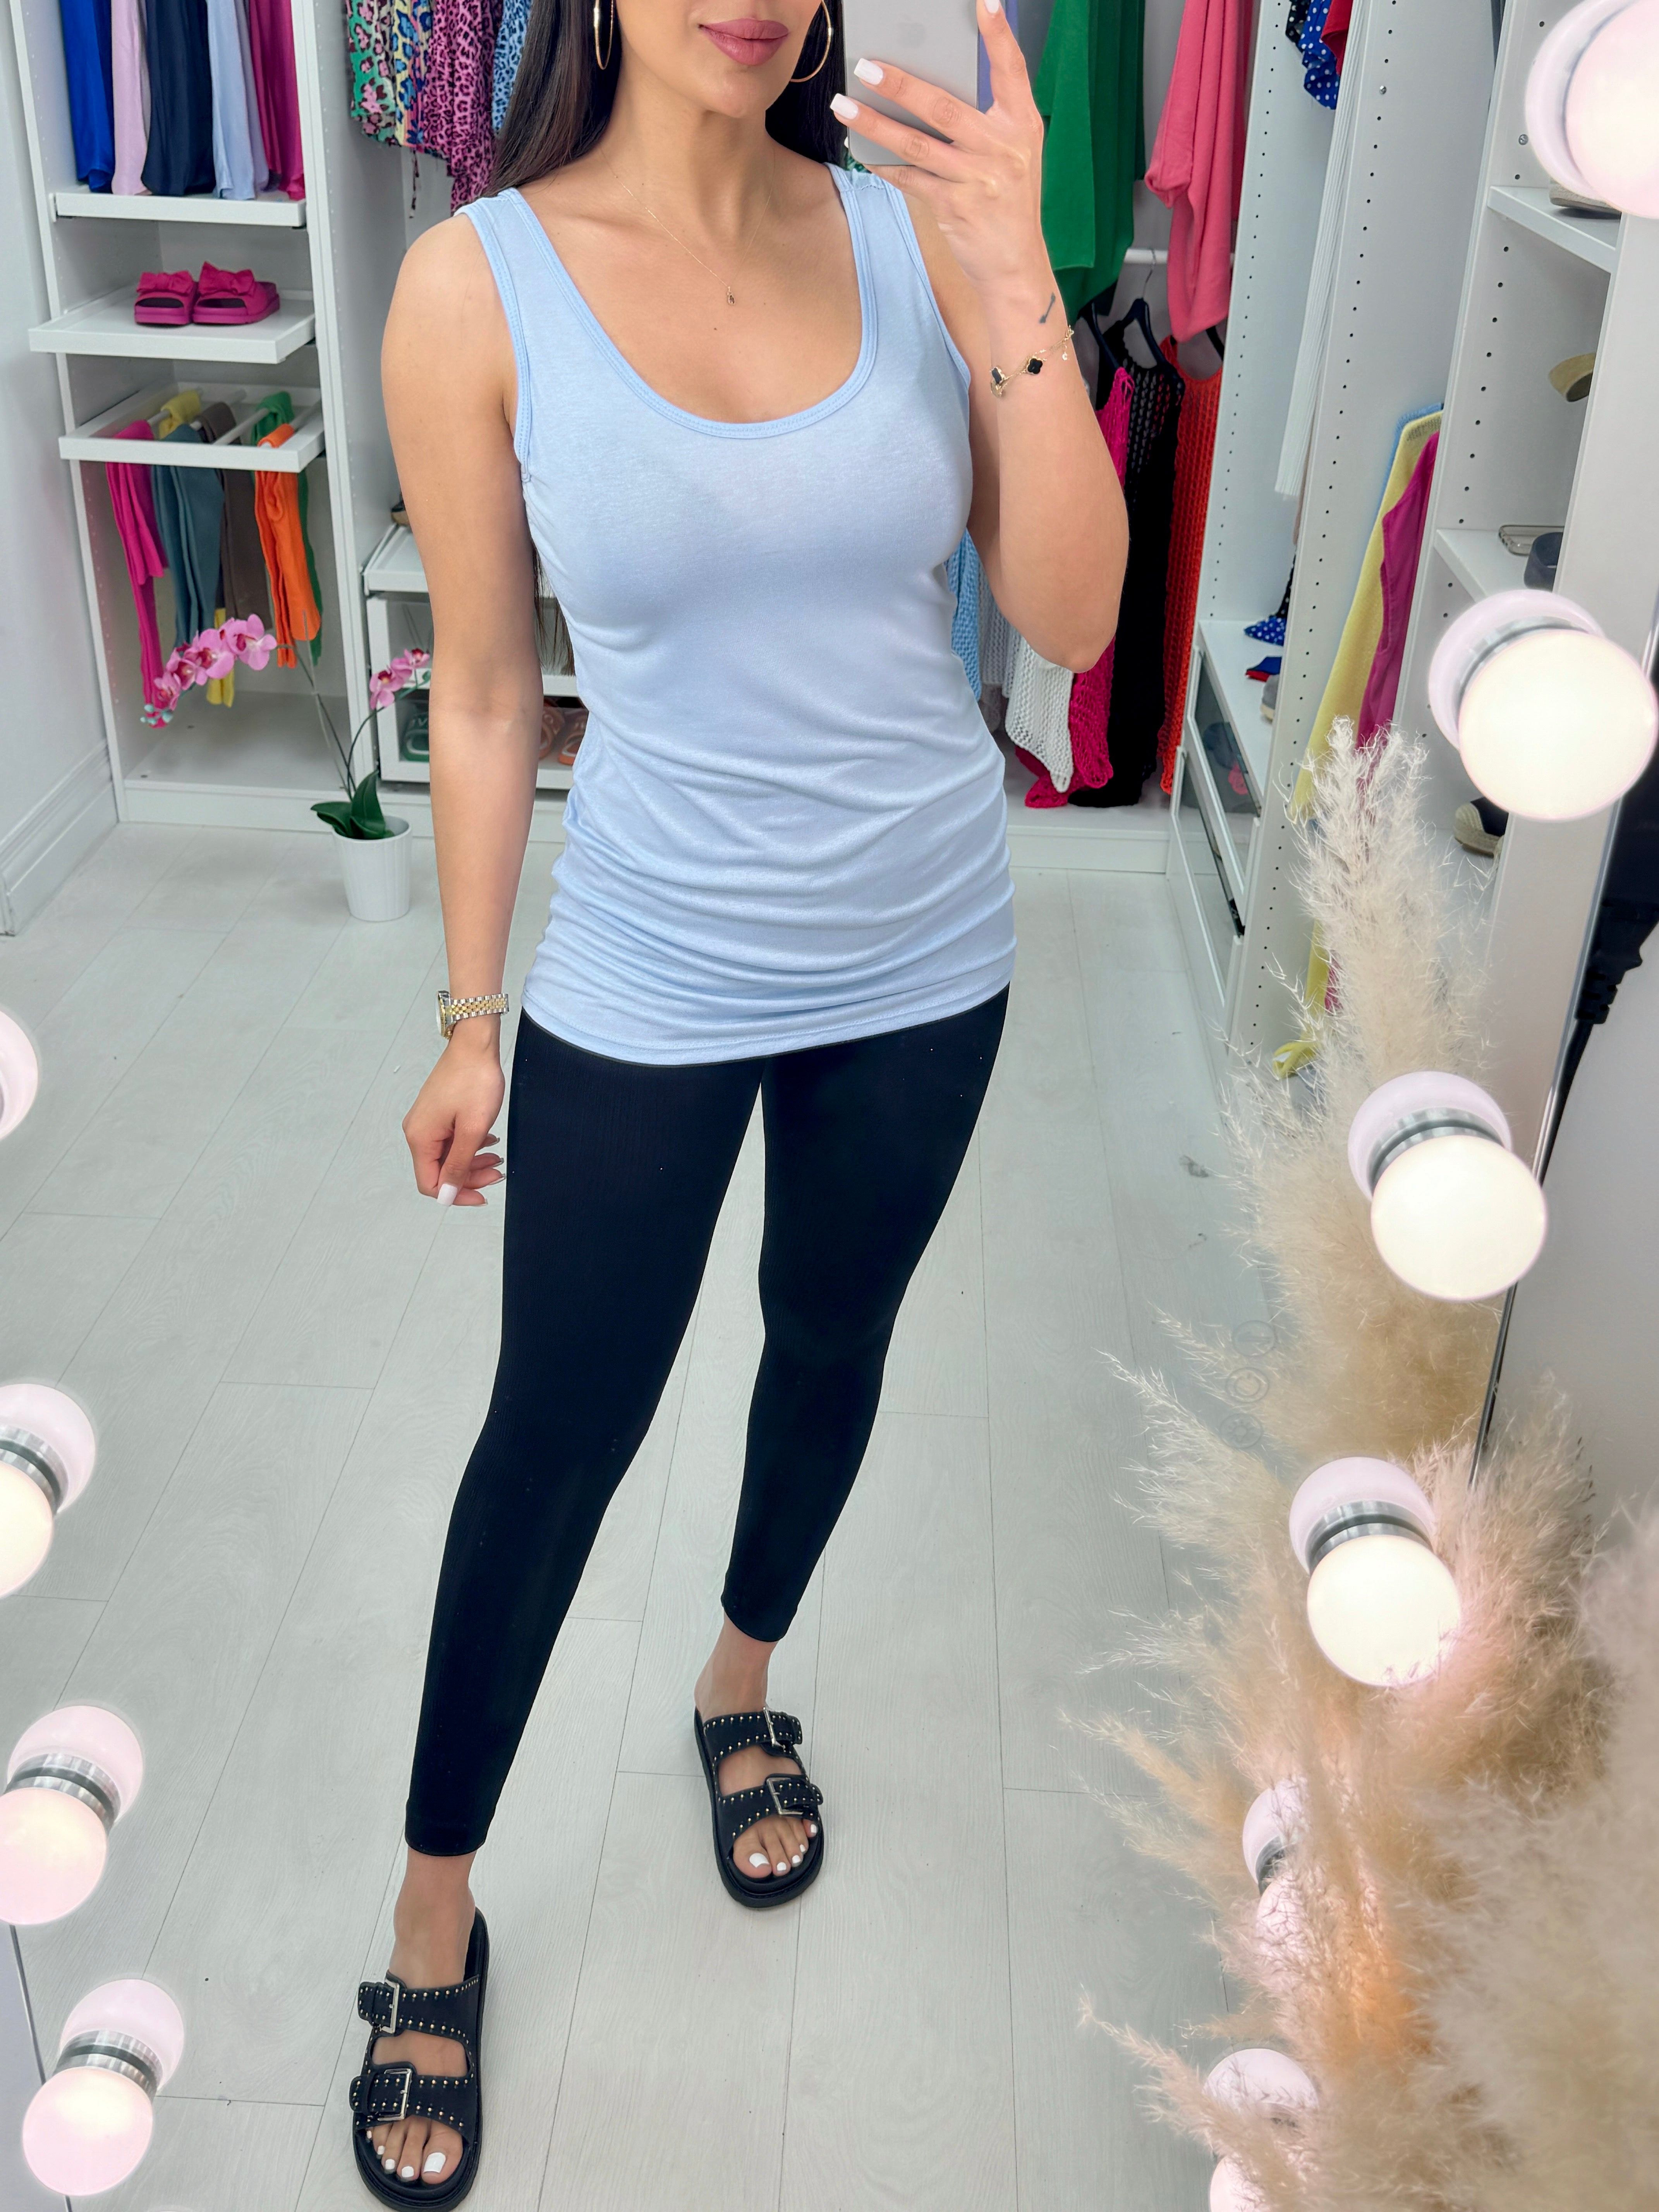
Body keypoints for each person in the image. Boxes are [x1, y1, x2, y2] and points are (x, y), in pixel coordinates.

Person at [349, 0, 1125, 2197]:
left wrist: (1013, 281)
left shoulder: (908, 236)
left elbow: (1071, 621)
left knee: (832, 1343)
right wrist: (473, 1011)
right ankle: (431, 1908)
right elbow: (486, 688)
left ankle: (737, 1683)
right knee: (554, 1437)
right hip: (651, 966)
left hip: (924, 950)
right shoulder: (474, 285)